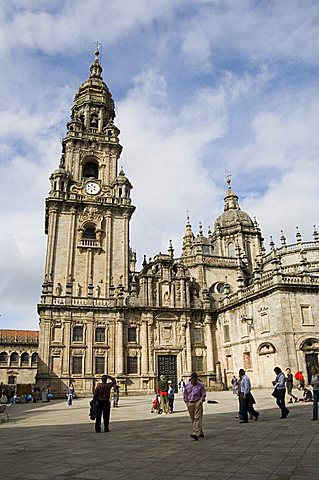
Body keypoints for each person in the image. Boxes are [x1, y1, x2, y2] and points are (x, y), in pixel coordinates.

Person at [183, 372, 206, 440]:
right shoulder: (187, 386)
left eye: (196, 380)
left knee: (197, 418)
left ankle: (195, 433)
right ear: (191, 379)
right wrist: (186, 402)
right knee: (193, 418)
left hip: (198, 402)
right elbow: (185, 394)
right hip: (190, 403)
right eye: (193, 380)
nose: (195, 381)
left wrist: (201, 401)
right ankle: (200, 432)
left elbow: (203, 394)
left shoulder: (200, 385)